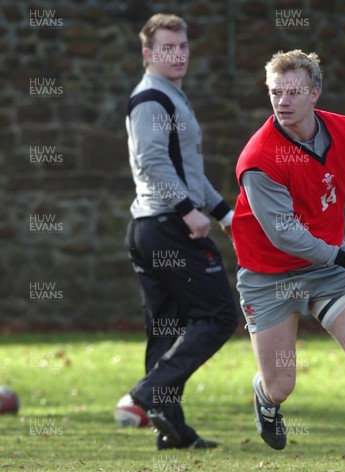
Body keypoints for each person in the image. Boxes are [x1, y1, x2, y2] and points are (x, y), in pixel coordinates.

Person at [230, 49, 345, 472]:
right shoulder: (258, 158)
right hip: (269, 275)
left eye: (293, 92)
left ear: (315, 92)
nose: (282, 101)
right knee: (282, 384)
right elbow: (286, 234)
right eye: (275, 92)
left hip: (327, 267)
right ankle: (265, 398)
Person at [124, 13, 238, 450]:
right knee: (219, 315)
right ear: (148, 53)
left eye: (183, 46)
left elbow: (190, 172)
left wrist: (223, 212)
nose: (178, 54)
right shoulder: (152, 98)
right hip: (165, 227)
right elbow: (153, 164)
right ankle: (147, 393)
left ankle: (170, 430)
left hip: (153, 226)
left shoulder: (172, 95)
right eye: (168, 48)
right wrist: (189, 210)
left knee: (168, 327)